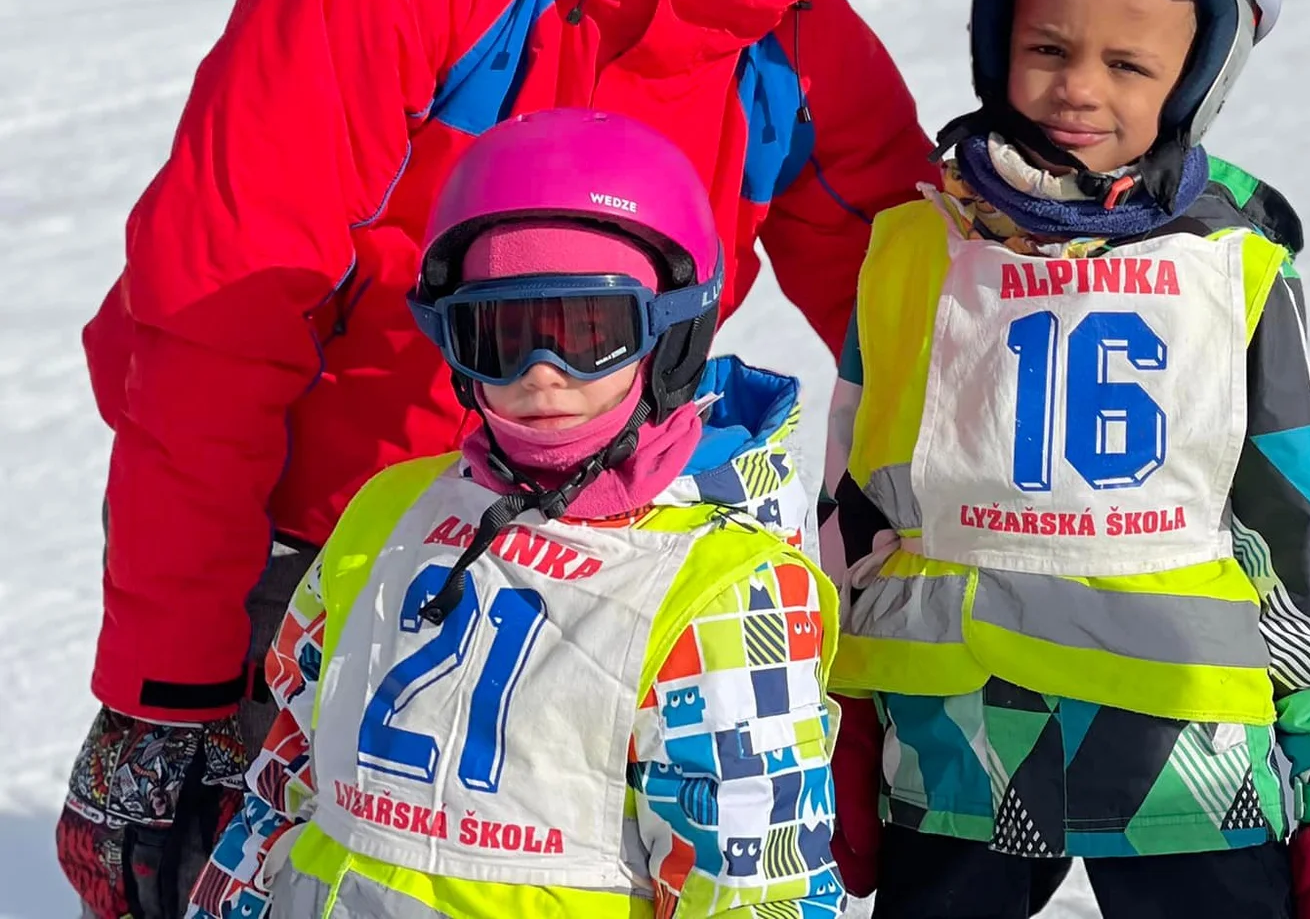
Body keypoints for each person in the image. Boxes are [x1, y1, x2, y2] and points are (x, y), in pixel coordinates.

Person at [58, 0, 985, 919]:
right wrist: (168, 686)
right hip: (316, 572)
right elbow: (215, 318)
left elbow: (930, 335)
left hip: (595, 589)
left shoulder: (801, 54)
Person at [819, 0, 1310, 919]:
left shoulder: (1231, 268)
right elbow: (858, 504)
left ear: (1192, 81)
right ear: (996, 41)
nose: (1077, 89)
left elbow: (1294, 539)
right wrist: (839, 706)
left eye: (1127, 64)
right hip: (957, 751)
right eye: (1048, 49)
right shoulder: (912, 251)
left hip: (1183, 756)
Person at [183, 107, 842, 918]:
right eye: (499, 336)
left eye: (589, 332)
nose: (541, 372)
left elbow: (756, 890)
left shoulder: (718, 591)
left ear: (672, 334)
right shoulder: (392, 513)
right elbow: (286, 779)